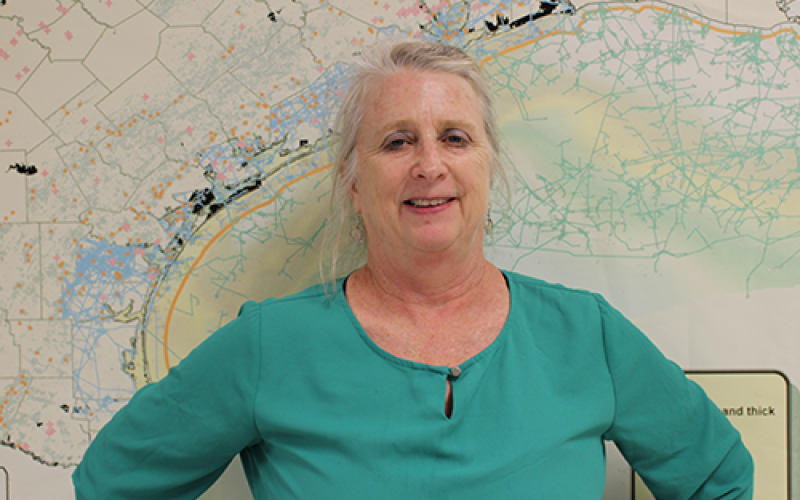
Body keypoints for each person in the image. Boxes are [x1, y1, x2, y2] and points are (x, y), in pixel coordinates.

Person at [72, 39, 753, 499]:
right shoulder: (269, 347)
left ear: (488, 165)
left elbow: (719, 478)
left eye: (454, 137)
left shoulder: (587, 336)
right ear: (353, 182)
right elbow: (111, 481)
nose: (430, 164)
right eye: (398, 141)